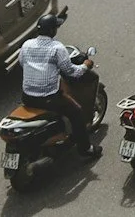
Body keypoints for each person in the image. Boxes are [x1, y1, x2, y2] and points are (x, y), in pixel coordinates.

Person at [18, 12, 95, 158]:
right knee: (77, 112)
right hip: (49, 98)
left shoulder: (26, 45)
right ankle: (86, 150)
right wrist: (86, 66)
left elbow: (22, 63)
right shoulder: (57, 48)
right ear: (53, 31)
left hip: (27, 97)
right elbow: (71, 72)